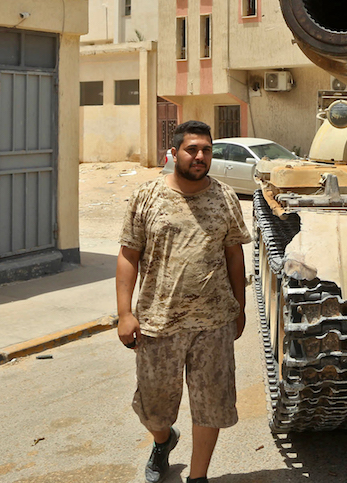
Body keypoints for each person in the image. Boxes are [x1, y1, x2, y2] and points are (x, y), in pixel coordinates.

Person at [116, 120, 251, 483]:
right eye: (192, 149)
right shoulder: (147, 196)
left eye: (206, 150)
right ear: (174, 153)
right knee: (154, 409)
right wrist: (124, 313)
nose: (200, 156)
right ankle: (164, 441)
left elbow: (234, 254)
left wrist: (240, 306)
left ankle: (198, 477)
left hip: (214, 322)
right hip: (158, 322)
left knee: (211, 404)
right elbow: (129, 255)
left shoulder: (224, 197)